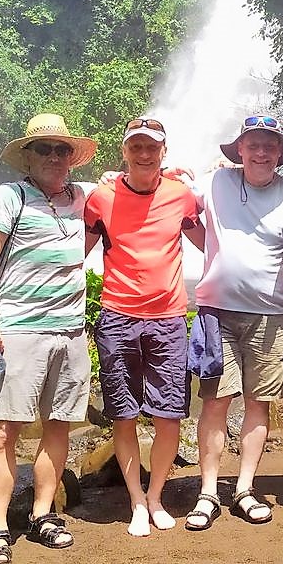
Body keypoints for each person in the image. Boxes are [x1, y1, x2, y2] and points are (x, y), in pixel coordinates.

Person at [184, 115, 283, 530]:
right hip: (215, 315)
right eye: (253, 145)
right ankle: (208, 491)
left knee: (258, 403)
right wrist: (116, 176)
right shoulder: (215, 183)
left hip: (270, 316)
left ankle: (244, 487)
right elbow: (167, 195)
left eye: (269, 145)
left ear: (279, 153)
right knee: (215, 402)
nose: (261, 152)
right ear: (239, 150)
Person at [0, 113, 97, 564]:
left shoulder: (81, 198)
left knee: (58, 425)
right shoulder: (9, 197)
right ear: (27, 156)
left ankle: (44, 515)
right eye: (44, 149)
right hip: (19, 330)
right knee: (4, 431)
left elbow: (133, 186)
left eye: (62, 150)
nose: (54, 157)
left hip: (71, 330)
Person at [84, 117, 202, 537]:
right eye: (136, 145)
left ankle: (156, 496)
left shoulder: (181, 196)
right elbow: (74, 248)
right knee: (124, 415)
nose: (144, 153)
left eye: (151, 146)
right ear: (124, 151)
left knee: (169, 415)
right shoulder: (101, 197)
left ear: (163, 151)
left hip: (169, 318)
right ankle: (135, 500)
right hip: (118, 316)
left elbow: (217, 227)